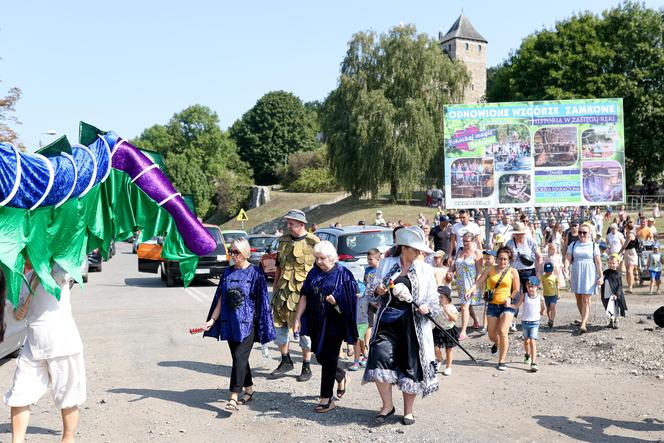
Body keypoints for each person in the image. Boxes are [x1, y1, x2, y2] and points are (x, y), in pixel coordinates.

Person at [364, 226, 440, 426]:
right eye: (414, 249)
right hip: (387, 323)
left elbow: (434, 299)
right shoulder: (386, 264)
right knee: (379, 357)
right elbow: (371, 292)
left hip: (412, 325)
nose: (418, 253)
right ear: (403, 248)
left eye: (419, 250)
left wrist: (426, 307)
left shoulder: (425, 270)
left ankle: (408, 411)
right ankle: (387, 406)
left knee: (410, 365)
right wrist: (379, 290)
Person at [4, 259, 86, 443]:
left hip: (63, 343)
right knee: (19, 393)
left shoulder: (60, 266)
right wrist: (18, 311)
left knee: (68, 395)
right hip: (33, 346)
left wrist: (40, 271)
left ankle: (68, 439)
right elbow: (18, 311)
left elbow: (60, 274)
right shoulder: (24, 278)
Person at [202, 238, 276, 411]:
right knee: (239, 358)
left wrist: (264, 327)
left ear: (245, 252)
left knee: (239, 358)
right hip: (229, 323)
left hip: (248, 325)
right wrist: (212, 320)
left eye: (236, 252)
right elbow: (221, 299)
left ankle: (233, 396)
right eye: (231, 251)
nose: (233, 255)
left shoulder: (256, 273)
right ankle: (249, 389)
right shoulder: (227, 272)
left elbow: (262, 302)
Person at [293, 241, 358, 413]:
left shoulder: (343, 274)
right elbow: (305, 295)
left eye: (322, 258)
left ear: (332, 258)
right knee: (320, 356)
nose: (319, 262)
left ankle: (326, 398)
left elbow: (352, 301)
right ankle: (341, 376)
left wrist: (337, 301)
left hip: (334, 322)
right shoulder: (314, 272)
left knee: (328, 358)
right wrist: (298, 318)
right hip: (315, 320)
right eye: (317, 258)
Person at [270, 209, 320, 381]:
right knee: (280, 327)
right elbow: (278, 268)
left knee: (304, 331)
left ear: (301, 224)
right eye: (288, 223)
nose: (288, 226)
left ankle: (306, 366)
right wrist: (275, 290)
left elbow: (320, 271)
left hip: (304, 296)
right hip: (283, 293)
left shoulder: (313, 242)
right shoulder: (283, 241)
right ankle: (286, 361)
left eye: (291, 223)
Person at [467, 247, 520, 371]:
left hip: (506, 306)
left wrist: (510, 297)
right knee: (491, 335)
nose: (502, 261)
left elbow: (516, 290)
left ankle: (502, 361)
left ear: (509, 260)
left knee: (502, 331)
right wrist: (470, 291)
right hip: (492, 305)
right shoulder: (490, 269)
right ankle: (497, 343)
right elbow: (478, 282)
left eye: (505, 259)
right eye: (500, 259)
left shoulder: (513, 272)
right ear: (496, 258)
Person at [564, 224, 603, 333]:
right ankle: (584, 318)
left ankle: (583, 323)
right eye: (580, 232)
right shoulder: (573, 244)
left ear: (589, 233)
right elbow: (568, 258)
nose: (581, 234)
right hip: (576, 271)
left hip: (589, 272)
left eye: (584, 232)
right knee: (579, 298)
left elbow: (598, 262)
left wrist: (601, 276)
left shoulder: (594, 245)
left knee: (586, 298)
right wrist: (566, 267)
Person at [505, 222, 542, 332]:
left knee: (529, 295)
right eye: (517, 233)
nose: (519, 236)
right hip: (514, 271)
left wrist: (538, 273)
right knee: (514, 294)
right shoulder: (509, 243)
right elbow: (507, 258)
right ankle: (511, 321)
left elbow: (539, 257)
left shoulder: (530, 241)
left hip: (529, 271)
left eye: (521, 233)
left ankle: (530, 319)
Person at [447, 232, 483, 339]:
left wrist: (475, 287)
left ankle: (463, 331)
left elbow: (479, 272)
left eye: (467, 241)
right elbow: (455, 264)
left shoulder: (477, 253)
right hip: (460, 283)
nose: (465, 243)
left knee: (464, 306)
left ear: (473, 241)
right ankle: (476, 321)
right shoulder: (460, 251)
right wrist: (450, 271)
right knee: (467, 304)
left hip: (470, 283)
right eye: (463, 240)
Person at [516, 276, 545, 372]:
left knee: (532, 341)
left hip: (535, 322)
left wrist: (542, 311)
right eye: (528, 286)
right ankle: (527, 354)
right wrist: (509, 306)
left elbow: (543, 307)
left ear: (537, 286)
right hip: (525, 322)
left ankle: (533, 363)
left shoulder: (540, 297)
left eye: (532, 286)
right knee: (526, 341)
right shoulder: (524, 296)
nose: (530, 288)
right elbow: (517, 305)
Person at [432, 286, 458, 376]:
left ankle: (448, 367)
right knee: (435, 348)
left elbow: (454, 319)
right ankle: (439, 359)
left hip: (449, 330)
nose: (439, 299)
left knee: (449, 350)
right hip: (438, 329)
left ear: (448, 298)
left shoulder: (451, 307)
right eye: (438, 297)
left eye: (441, 297)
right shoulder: (436, 306)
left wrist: (447, 311)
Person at [602, 254, 627, 329]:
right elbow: (602, 280)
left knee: (615, 307)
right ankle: (611, 321)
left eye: (613, 263)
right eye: (610, 263)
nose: (611, 265)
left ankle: (616, 320)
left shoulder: (618, 274)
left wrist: (617, 294)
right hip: (606, 293)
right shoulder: (605, 272)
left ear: (617, 264)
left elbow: (620, 286)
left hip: (615, 294)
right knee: (608, 307)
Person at [618, 222, 638, 294]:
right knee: (627, 271)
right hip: (627, 252)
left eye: (625, 227)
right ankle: (629, 286)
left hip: (631, 252)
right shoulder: (628, 234)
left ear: (628, 227)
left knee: (629, 271)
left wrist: (618, 253)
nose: (624, 228)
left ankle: (630, 288)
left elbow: (624, 246)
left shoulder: (630, 235)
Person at [541, 262, 559, 328]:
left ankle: (552, 320)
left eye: (549, 271)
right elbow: (539, 283)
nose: (548, 273)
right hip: (546, 295)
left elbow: (557, 286)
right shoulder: (543, 277)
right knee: (548, 309)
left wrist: (558, 294)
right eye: (547, 271)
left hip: (554, 295)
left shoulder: (555, 277)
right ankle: (549, 318)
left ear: (552, 270)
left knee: (552, 307)